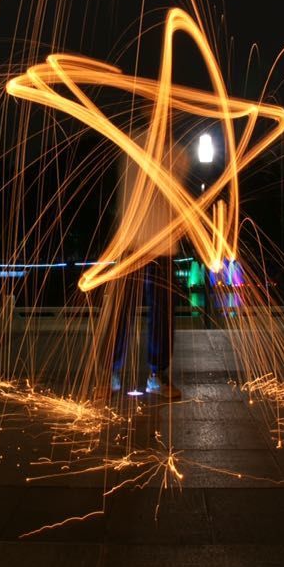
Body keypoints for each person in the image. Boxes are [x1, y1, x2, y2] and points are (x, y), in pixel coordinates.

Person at [106, 140, 187, 400]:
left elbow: (176, 202)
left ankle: (156, 375)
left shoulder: (177, 154)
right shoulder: (130, 144)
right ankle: (110, 374)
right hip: (133, 243)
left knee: (161, 313)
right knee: (122, 311)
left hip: (162, 245)